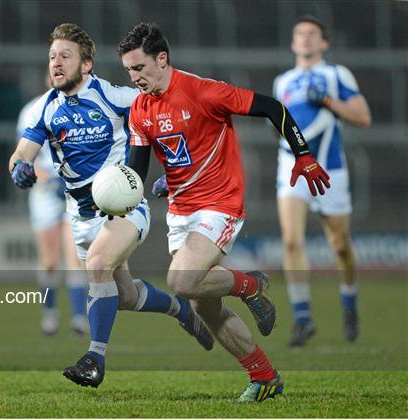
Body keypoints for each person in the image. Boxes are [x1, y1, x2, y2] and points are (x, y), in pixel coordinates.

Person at [118, 22, 330, 403]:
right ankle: (264, 376)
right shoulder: (139, 110)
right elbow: (136, 169)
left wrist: (304, 155)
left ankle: (251, 285)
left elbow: (271, 106)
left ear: (162, 59)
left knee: (181, 282)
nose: (134, 78)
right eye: (129, 71)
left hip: (220, 203)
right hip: (181, 212)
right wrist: (119, 193)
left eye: (140, 68)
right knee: (203, 304)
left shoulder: (202, 90)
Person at [8, 23, 214, 389]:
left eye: (65, 56)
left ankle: (94, 359)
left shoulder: (116, 97)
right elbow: (21, 154)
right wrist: (20, 168)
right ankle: (181, 310)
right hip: (81, 217)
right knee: (125, 296)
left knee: (99, 266)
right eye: (52, 56)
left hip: (124, 208)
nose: (56, 63)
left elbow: (164, 124)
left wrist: (174, 170)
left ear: (86, 65)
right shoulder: (45, 108)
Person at [273, 15, 371, 347]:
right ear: (292, 43)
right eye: (299, 33)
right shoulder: (283, 81)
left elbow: (363, 117)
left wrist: (327, 101)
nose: (305, 38)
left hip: (330, 169)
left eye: (312, 34)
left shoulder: (335, 74)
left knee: (340, 246)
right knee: (290, 241)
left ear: (324, 42)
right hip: (291, 165)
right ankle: (302, 318)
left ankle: (349, 301)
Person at [16, 74, 88, 337]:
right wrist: (48, 180)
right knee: (49, 260)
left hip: (74, 189)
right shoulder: (32, 111)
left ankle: (79, 318)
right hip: (45, 190)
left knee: (74, 258)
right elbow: (24, 155)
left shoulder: (82, 108)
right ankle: (49, 312)